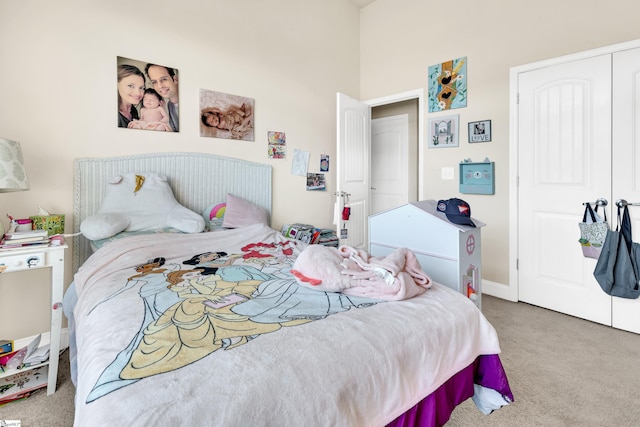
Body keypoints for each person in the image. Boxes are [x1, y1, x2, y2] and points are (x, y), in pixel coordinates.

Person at [145, 63, 179, 132]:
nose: (160, 86)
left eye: (164, 79)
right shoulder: (170, 105)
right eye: (154, 82)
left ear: (175, 79)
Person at [117, 64, 145, 128]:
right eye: (131, 86)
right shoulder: (112, 115)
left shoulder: (133, 111)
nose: (138, 93)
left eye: (141, 88)